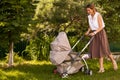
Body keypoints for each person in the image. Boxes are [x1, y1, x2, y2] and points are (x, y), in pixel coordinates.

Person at [84, 3, 118, 73]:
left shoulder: (98, 15)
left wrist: (94, 32)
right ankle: (101, 68)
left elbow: (101, 26)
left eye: (89, 10)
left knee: (105, 49)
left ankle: (113, 61)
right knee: (99, 51)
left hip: (100, 33)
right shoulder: (89, 17)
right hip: (94, 34)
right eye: (87, 11)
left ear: (93, 9)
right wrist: (88, 31)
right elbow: (91, 26)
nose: (88, 12)